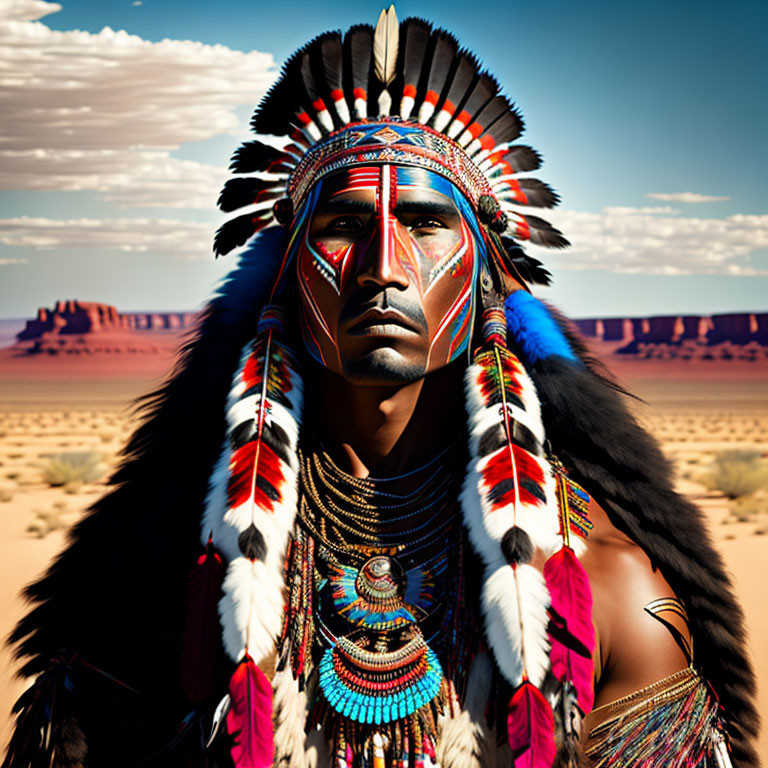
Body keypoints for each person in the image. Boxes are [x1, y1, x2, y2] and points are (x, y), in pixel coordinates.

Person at [3, 8, 758, 768]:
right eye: (343, 223)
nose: (382, 266)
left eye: (427, 223)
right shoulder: (163, 576)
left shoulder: (600, 583)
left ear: (486, 278)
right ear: (288, 276)